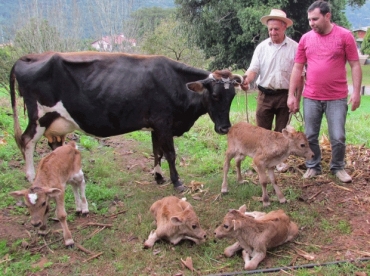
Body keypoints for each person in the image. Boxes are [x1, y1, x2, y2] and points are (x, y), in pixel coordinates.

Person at [287, 1, 362, 183]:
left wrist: (356, 92)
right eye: (309, 19)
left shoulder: (345, 36)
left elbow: (354, 64)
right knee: (310, 135)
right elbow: (297, 68)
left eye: (315, 19)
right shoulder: (305, 39)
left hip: (336, 97)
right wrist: (291, 95)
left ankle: (338, 166)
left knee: (338, 136)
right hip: (311, 97)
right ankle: (314, 166)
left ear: (327, 16)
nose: (311, 23)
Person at [241, 9, 303, 172]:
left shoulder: (295, 47)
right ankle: (261, 160)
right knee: (262, 132)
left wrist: (297, 98)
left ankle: (279, 161)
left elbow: (300, 76)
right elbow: (253, 69)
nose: (273, 32)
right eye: (270, 29)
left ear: (284, 27)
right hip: (264, 95)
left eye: (276, 29)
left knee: (282, 133)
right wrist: (246, 80)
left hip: (285, 95)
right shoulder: (262, 47)